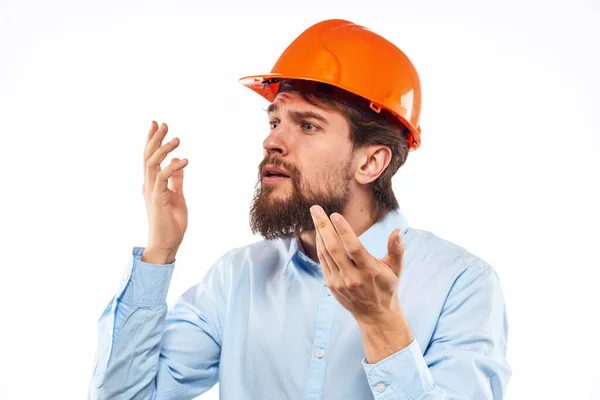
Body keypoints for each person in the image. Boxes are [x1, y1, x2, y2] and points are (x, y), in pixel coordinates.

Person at [88, 19, 511, 400]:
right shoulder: (239, 279)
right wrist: (159, 253)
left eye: (307, 125)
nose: (272, 141)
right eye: (275, 121)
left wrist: (381, 324)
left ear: (370, 162)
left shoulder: (461, 284)